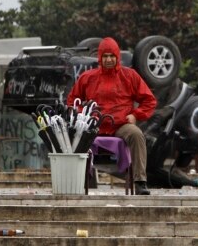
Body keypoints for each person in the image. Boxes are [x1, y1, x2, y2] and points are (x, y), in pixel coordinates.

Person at [67, 37, 156, 195]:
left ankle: (140, 181)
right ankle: (75, 180)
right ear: (100, 57)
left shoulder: (130, 75)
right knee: (73, 136)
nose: (109, 59)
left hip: (121, 125)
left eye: (112, 56)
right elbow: (73, 101)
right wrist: (83, 115)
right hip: (93, 126)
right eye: (105, 56)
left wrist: (136, 115)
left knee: (136, 134)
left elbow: (149, 101)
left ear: (117, 57)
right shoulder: (87, 77)